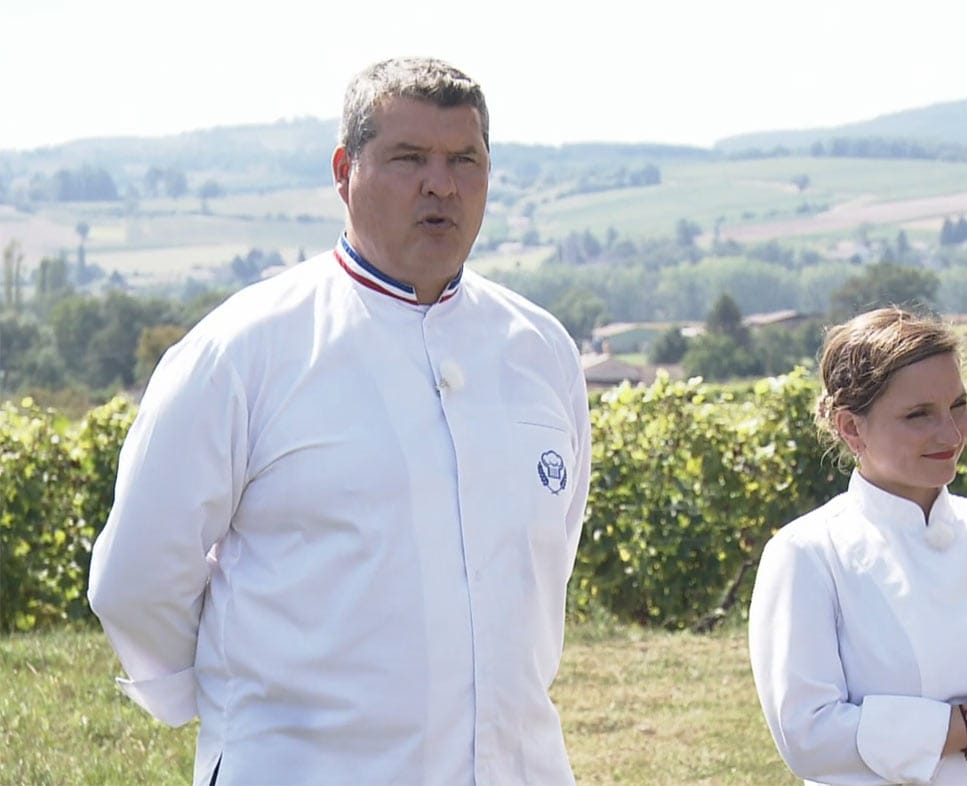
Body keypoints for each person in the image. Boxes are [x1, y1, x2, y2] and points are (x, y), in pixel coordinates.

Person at [88, 56, 591, 786]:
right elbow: (136, 578)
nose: (441, 185)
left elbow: (549, 562)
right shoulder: (243, 350)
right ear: (343, 170)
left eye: (465, 160)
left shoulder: (540, 350)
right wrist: (244, 703)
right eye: (408, 158)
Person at [748, 307, 967, 785]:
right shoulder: (809, 554)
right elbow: (807, 733)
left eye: (958, 405)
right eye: (919, 415)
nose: (951, 432)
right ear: (850, 427)